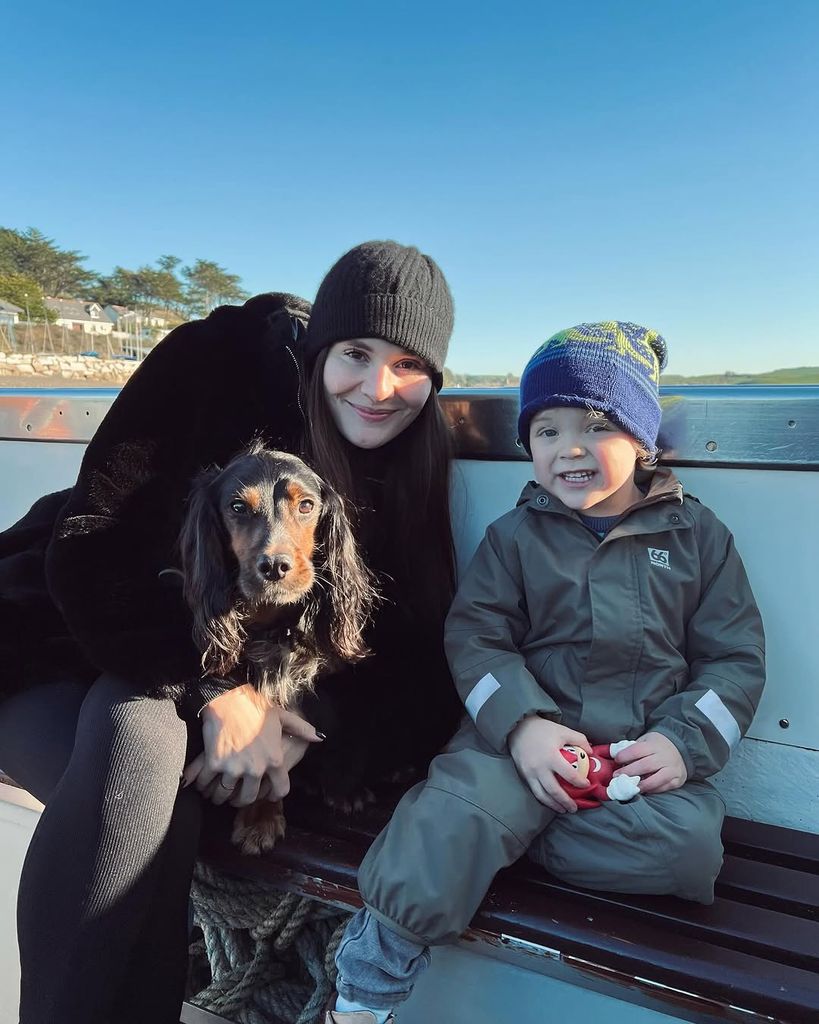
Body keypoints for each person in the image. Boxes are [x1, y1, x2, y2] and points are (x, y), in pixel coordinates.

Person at [0, 240, 462, 1024]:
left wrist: (299, 725)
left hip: (171, 685)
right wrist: (218, 690)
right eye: (356, 353)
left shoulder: (407, 465)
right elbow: (90, 551)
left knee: (164, 780)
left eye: (409, 365)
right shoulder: (212, 364)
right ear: (320, 347)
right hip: (46, 646)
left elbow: (415, 662)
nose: (379, 388)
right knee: (141, 749)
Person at [325, 321, 766, 1023]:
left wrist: (682, 744)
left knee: (689, 854)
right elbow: (477, 639)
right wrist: (523, 727)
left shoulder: (697, 539)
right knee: (462, 806)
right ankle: (366, 985)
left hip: (625, 761)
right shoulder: (514, 537)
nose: (570, 450)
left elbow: (733, 659)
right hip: (510, 749)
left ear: (642, 439)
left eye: (596, 426)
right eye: (547, 432)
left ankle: (500, 838)